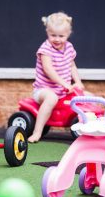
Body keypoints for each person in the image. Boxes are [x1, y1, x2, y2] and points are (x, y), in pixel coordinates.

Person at [28, 12, 87, 143]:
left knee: (88, 97)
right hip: (43, 90)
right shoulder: (46, 49)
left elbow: (72, 66)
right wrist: (65, 84)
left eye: (61, 36)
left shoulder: (69, 47)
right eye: (53, 35)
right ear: (47, 32)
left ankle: (93, 128)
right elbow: (49, 70)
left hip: (63, 90)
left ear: (68, 34)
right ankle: (37, 132)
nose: (57, 39)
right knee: (51, 98)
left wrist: (78, 82)